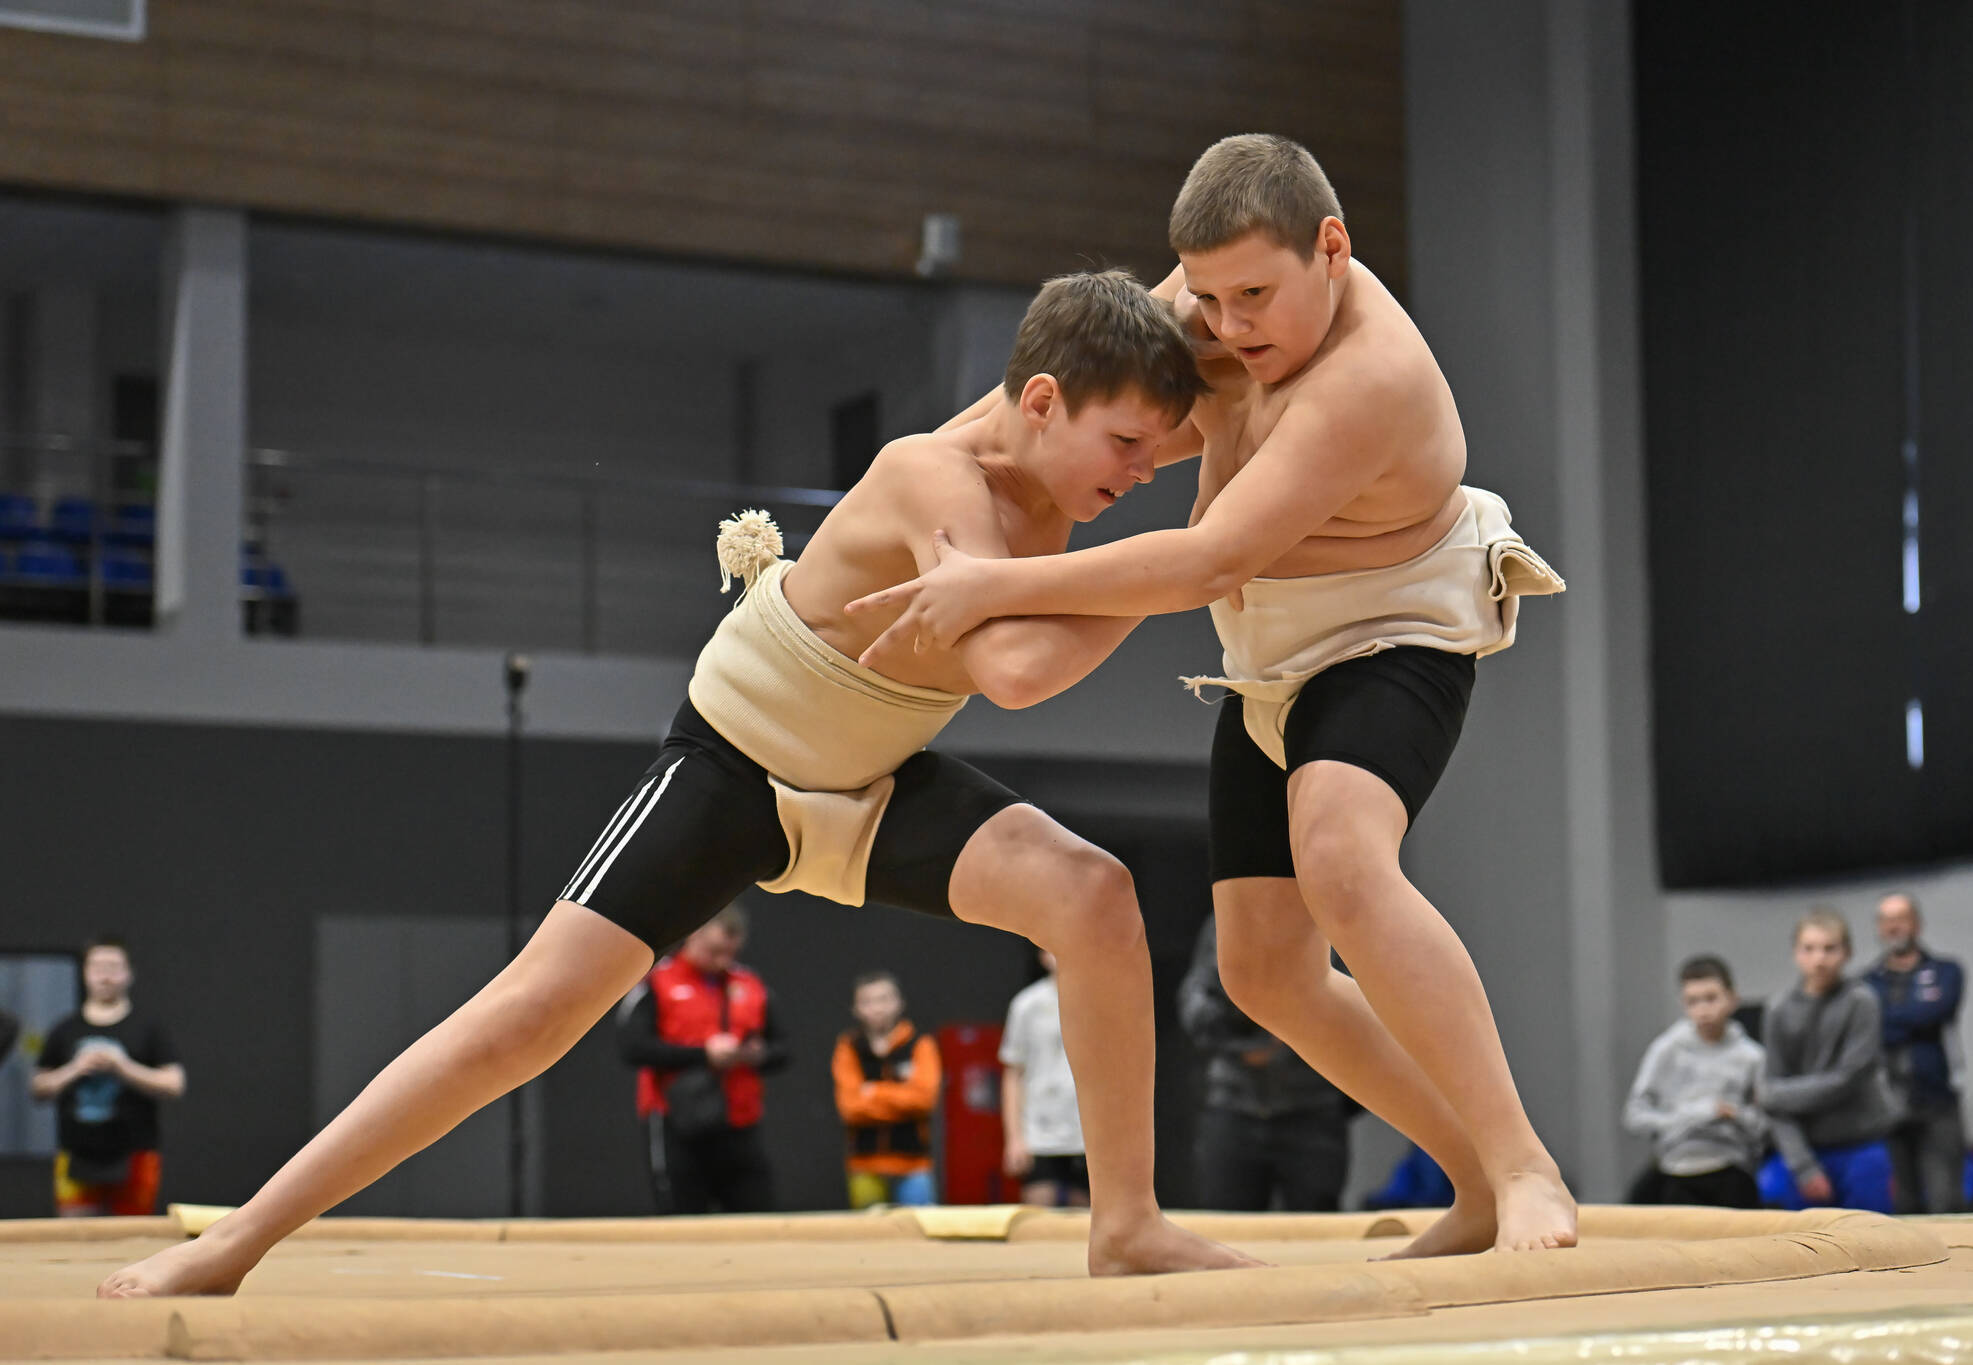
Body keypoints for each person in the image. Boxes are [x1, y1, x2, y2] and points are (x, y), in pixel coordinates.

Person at [100, 269, 1255, 1298]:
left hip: (872, 776)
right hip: (737, 762)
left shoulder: (1074, 433)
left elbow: (1175, 304)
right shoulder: (932, 475)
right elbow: (1010, 674)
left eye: (1158, 452)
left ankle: (1126, 1222)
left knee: (1094, 895)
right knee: (532, 1013)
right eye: (1127, 450)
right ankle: (237, 1241)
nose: (1142, 473)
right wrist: (1198, 552)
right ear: (1043, 401)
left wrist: (1249, 328)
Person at [849, 133, 1575, 1253]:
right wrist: (927, 480)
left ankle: (1523, 1165)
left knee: (1341, 861)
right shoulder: (1202, 307)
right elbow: (1043, 403)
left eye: (1254, 296)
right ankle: (1473, 1184)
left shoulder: (1368, 375)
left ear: (1330, 249)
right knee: (1261, 969)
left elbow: (1206, 560)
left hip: (1390, 633)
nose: (1227, 328)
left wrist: (992, 578)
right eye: (1206, 295)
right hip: (1265, 660)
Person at [616, 907, 785, 1214]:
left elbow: (782, 1048)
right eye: (714, 952)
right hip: (676, 1120)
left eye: (730, 953)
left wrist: (756, 1055)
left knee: (758, 1220)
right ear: (693, 936)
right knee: (682, 1221)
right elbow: (632, 1047)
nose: (723, 961)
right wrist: (704, 1054)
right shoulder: (658, 982)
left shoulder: (749, 984)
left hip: (739, 1122)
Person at [1178, 913, 1351, 1211]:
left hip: (1312, 1109)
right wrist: (1243, 1041)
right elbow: (1194, 1005)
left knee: (1317, 1227)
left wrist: (1290, 1031)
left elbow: (1353, 1011)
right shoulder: (1225, 922)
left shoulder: (1328, 922)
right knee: (1226, 1229)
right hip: (1233, 1105)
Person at [1756, 908, 1901, 1212]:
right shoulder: (1778, 1009)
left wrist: (1777, 1095)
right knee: (1798, 1242)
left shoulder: (1862, 1002)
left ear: (1846, 952)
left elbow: (1847, 1079)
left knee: (1870, 1241)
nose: (1819, 959)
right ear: (1796, 953)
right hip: (1806, 1149)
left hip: (1861, 1143)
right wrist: (1803, 1166)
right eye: (1809, 949)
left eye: (1829, 948)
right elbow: (1774, 1098)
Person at [31, 938, 185, 1217]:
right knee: (74, 1238)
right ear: (86, 972)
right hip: (76, 1153)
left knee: (133, 1237)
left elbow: (174, 1083)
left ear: (128, 973)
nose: (106, 976)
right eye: (98, 967)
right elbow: (39, 1087)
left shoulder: (148, 1028)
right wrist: (75, 1068)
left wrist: (122, 1067)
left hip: (136, 1153)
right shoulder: (65, 1030)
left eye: (114, 967)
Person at [1621, 955, 1768, 1208]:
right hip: (1677, 1171)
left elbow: (1766, 1125)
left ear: (1733, 999)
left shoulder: (1752, 1057)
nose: (1703, 1010)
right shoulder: (1666, 1050)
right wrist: (1696, 1115)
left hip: (1731, 1169)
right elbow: (1634, 1115)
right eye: (1693, 1001)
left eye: (1711, 998)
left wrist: (1735, 1115)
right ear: (1683, 1004)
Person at [1864, 892, 1967, 1214]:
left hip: (1937, 1102)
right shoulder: (1865, 982)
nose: (1895, 926)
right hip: (1886, 1105)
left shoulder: (1946, 971)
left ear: (1916, 923)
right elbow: (1870, 1029)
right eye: (1887, 919)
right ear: (1880, 928)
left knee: (1945, 1200)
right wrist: (1913, 1016)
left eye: (1901, 917)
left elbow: (1937, 1012)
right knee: (1903, 1204)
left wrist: (1887, 1018)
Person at [832, 970, 940, 1208]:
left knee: (921, 1233)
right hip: (865, 1164)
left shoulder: (920, 1043)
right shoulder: (849, 1046)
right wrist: (899, 1096)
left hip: (913, 1164)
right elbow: (850, 1107)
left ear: (899, 1003)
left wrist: (873, 1092)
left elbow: (923, 1099)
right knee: (867, 1237)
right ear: (856, 1008)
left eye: (884, 999)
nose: (877, 1008)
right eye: (868, 1001)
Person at [1001, 949, 1088, 1207]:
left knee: (1087, 1218)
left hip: (1085, 1131)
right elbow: (1012, 1073)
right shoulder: (1026, 1005)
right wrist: (1014, 1138)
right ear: (1041, 955)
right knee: (1037, 1215)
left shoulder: (1097, 999)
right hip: (1039, 1132)